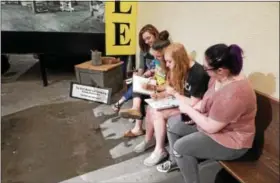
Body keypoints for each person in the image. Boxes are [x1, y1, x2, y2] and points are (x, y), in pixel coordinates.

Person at [157, 44, 257, 183]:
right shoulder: (219, 78)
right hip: (215, 124)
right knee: (173, 124)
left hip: (231, 140)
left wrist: (190, 110)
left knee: (181, 147)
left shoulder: (234, 94)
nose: (204, 70)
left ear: (221, 70)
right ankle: (177, 160)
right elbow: (207, 100)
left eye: (206, 68)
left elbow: (211, 127)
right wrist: (198, 108)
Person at [134, 43, 210, 166]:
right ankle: (149, 140)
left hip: (194, 110)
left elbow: (193, 102)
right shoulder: (180, 68)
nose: (167, 65)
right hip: (180, 102)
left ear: (178, 59)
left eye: (169, 61)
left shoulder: (198, 73)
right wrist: (161, 95)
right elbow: (173, 89)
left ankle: (160, 150)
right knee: (150, 106)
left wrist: (173, 93)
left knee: (158, 113)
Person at [118, 29, 171, 138]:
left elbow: (169, 84)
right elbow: (156, 71)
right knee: (137, 85)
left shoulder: (168, 64)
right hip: (156, 84)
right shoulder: (158, 60)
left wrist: (153, 86)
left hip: (161, 89)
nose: (155, 59)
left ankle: (136, 121)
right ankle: (135, 110)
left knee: (138, 90)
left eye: (158, 57)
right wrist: (150, 74)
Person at [111, 24, 160, 113]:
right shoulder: (144, 49)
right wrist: (138, 75)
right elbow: (141, 67)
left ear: (155, 34)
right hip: (149, 78)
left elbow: (162, 70)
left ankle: (124, 104)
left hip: (158, 80)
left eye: (148, 38)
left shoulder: (161, 49)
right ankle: (134, 111)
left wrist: (151, 74)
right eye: (144, 40)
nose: (146, 42)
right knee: (137, 81)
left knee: (137, 85)